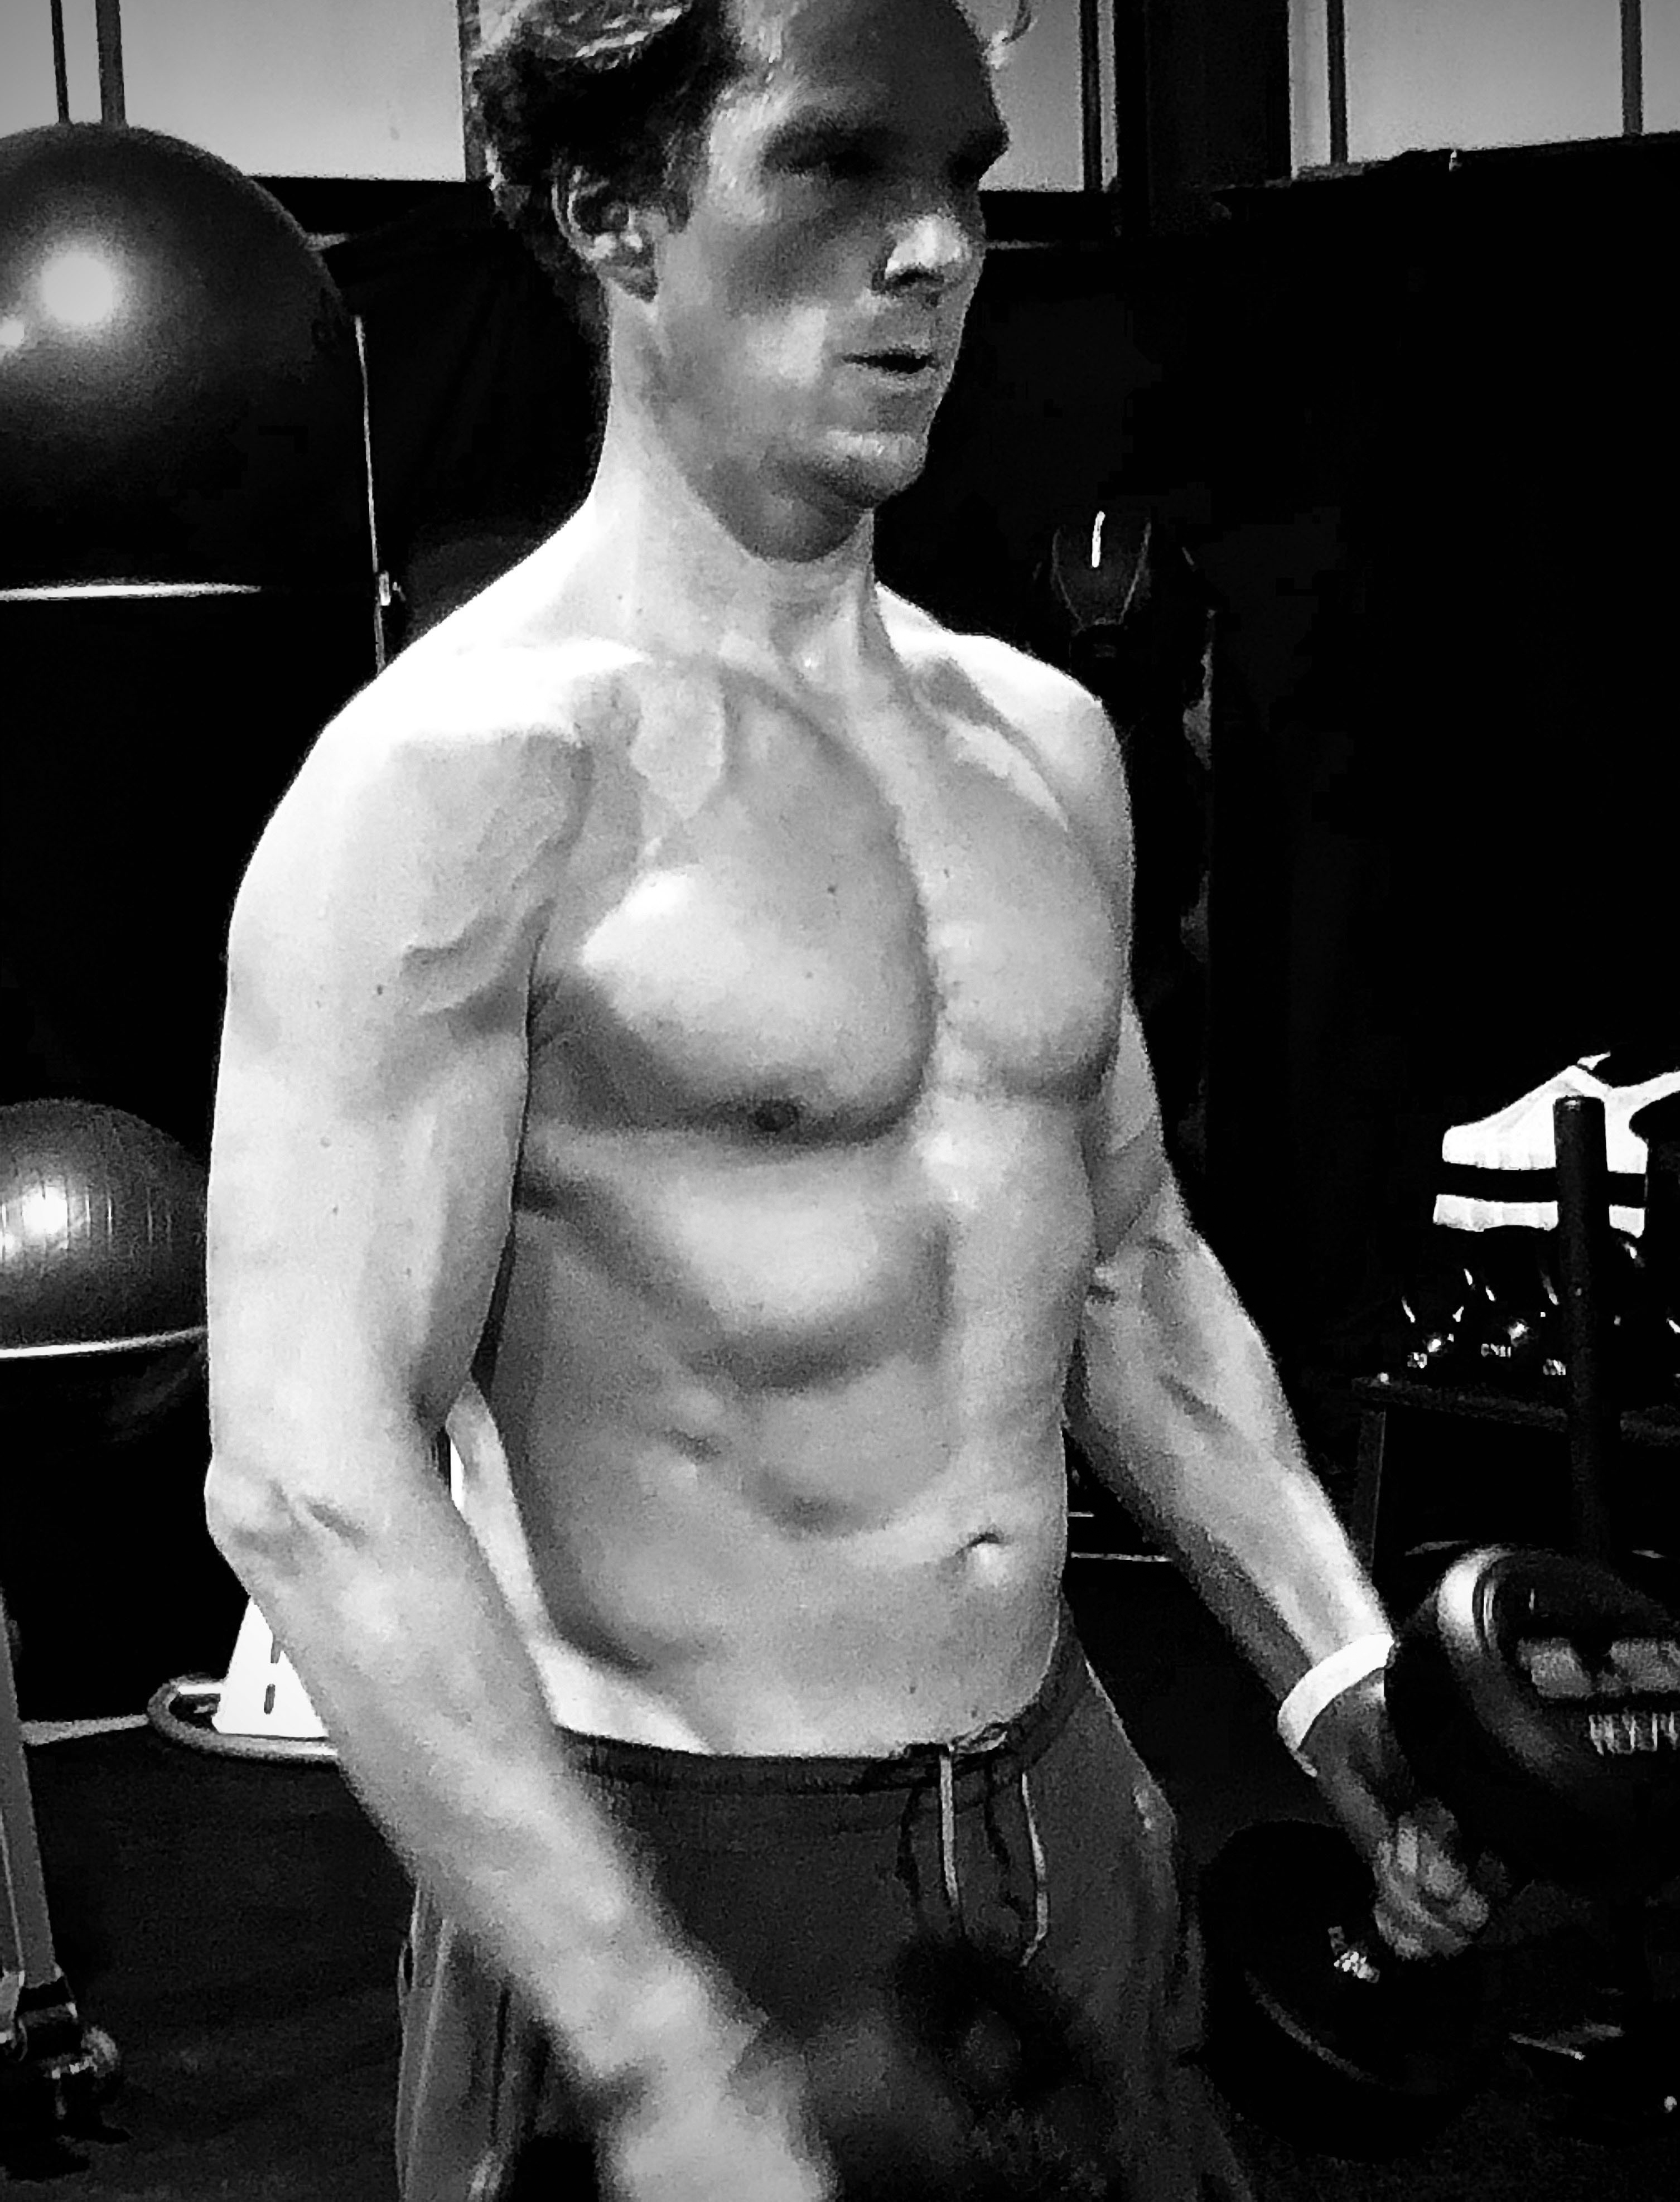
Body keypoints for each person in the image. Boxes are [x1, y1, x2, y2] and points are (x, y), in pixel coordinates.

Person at [202, 3, 1494, 2198]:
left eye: (967, 178)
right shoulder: (462, 783)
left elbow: (1127, 1268)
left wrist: (1336, 1671)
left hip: (1065, 1805)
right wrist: (648, 2038)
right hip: (670, 1865)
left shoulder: (1041, 749)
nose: (938, 250)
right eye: (838, 167)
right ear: (614, 213)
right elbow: (312, 1477)